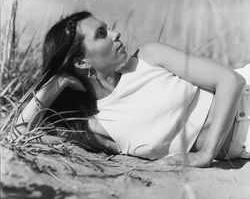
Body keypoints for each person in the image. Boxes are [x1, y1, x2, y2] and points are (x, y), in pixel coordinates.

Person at [13, 11, 250, 168]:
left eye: (109, 29)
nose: (116, 34)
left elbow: (231, 81)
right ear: (81, 62)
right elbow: (18, 134)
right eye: (102, 34)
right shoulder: (97, 126)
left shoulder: (149, 57)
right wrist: (58, 81)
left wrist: (206, 154)